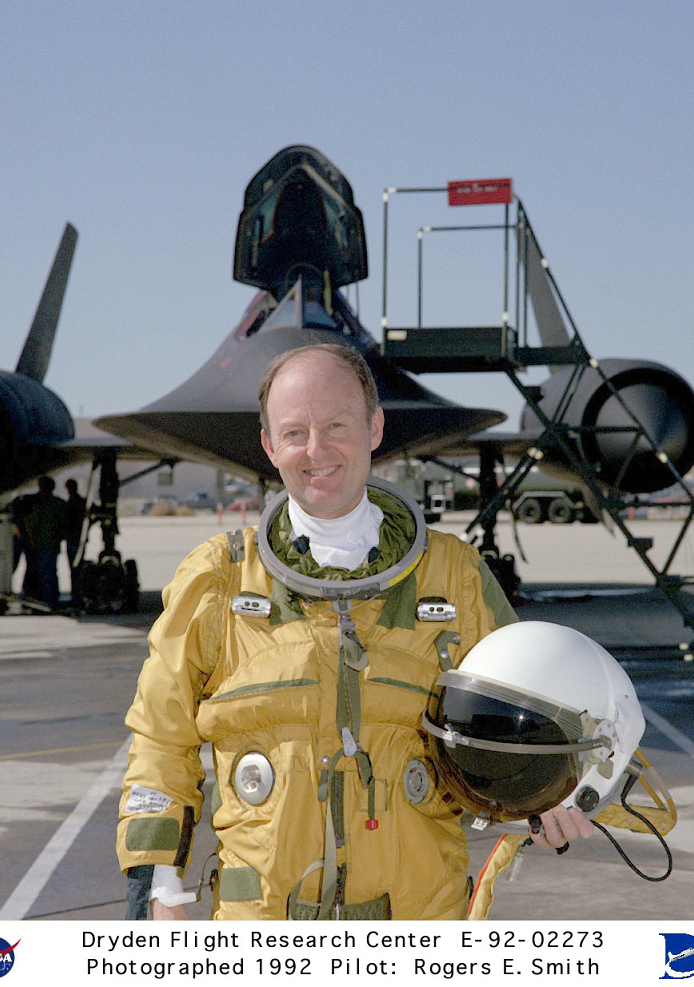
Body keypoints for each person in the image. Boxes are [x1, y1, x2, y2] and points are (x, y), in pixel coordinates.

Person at [117, 345, 593, 921]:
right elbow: (160, 736)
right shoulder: (218, 578)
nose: (315, 450)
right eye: (294, 432)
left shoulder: (453, 577)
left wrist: (549, 798)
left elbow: (534, 712)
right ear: (269, 446)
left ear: (374, 427)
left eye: (336, 425)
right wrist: (159, 889)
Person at [21, 475, 66, 608]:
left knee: (39, 573)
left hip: (39, 545)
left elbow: (30, 523)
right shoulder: (58, 503)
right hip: (51, 544)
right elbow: (64, 524)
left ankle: (41, 602)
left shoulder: (37, 503)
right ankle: (51, 600)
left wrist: (29, 539)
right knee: (50, 573)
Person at [63, 478, 87, 607]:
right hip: (79, 540)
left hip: (73, 541)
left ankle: (77, 597)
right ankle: (79, 596)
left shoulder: (71, 503)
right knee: (77, 569)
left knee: (75, 570)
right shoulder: (82, 502)